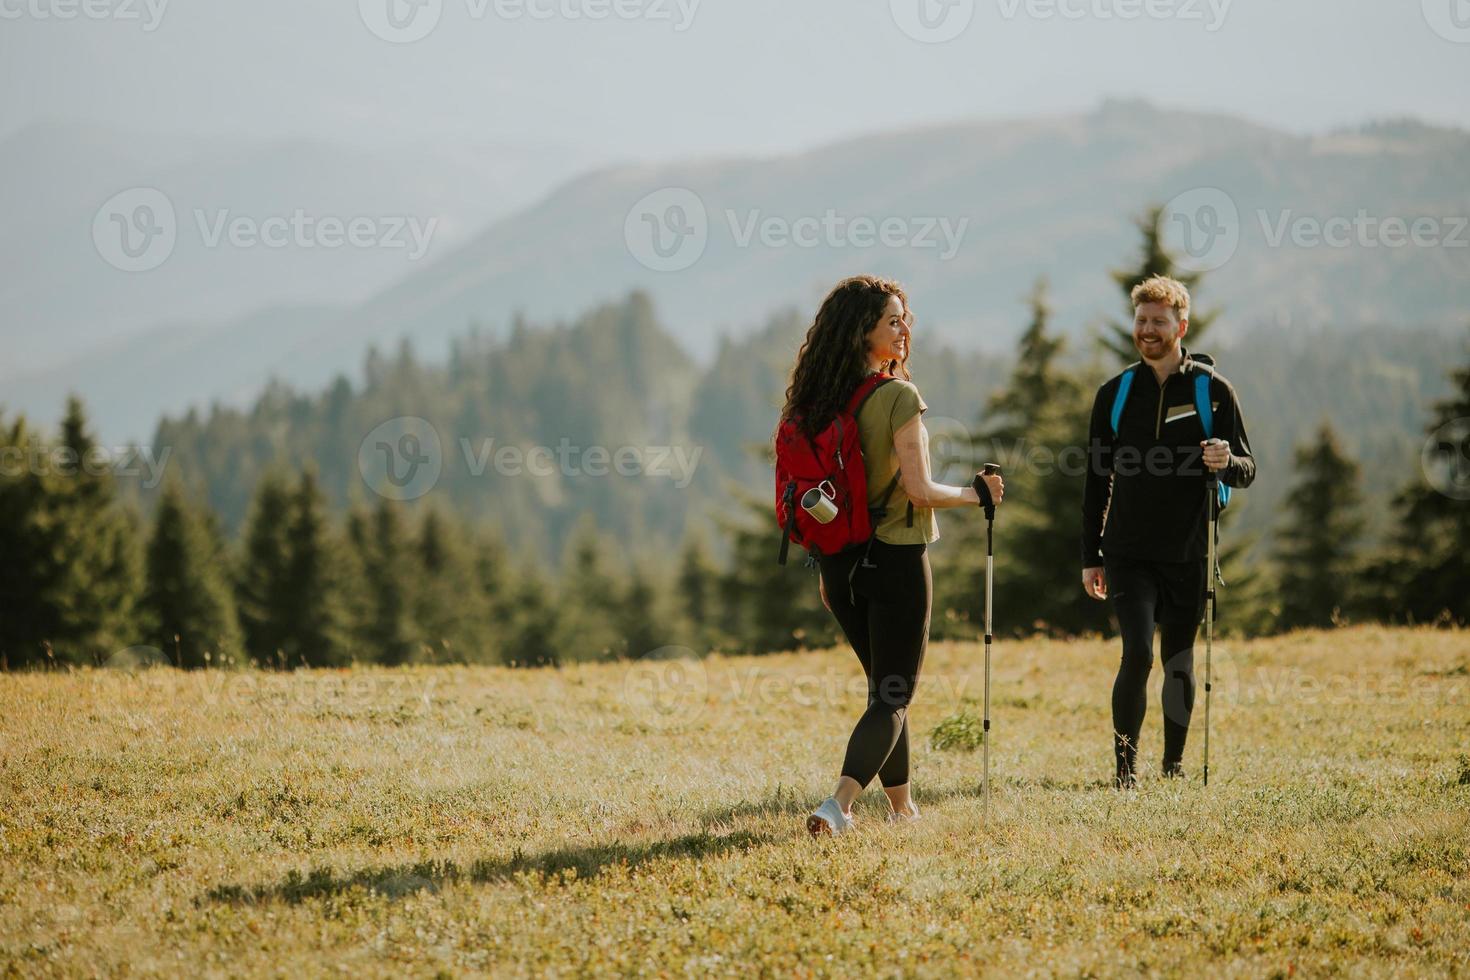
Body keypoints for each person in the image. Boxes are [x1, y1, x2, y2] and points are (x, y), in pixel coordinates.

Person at [776, 275, 1005, 835]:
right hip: (896, 559)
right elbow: (921, 490)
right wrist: (976, 495)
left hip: (838, 566)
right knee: (893, 695)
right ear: (863, 334)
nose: (905, 330)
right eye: (893, 321)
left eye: (905, 319)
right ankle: (840, 806)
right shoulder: (898, 395)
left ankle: (902, 809)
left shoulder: (813, 400)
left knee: (886, 692)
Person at [1080, 275, 1256, 788]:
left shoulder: (1213, 392)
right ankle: (1124, 773)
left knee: (1179, 661)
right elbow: (1095, 479)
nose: (1148, 330)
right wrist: (1090, 555)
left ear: (1181, 326)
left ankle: (1174, 767)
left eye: (1159, 321)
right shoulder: (1115, 394)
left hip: (1189, 551)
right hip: (1127, 551)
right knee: (1137, 653)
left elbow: (1247, 469)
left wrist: (1226, 461)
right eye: (1141, 320)